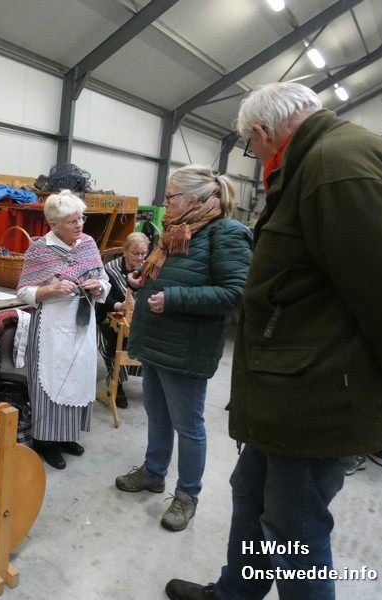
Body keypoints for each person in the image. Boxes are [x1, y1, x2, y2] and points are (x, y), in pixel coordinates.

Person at [165, 82, 382, 599]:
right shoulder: (316, 163)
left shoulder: (336, 166)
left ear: (262, 132)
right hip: (286, 389)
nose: (255, 153)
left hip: (317, 395)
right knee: (249, 494)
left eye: (251, 145)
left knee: (295, 529)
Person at [115, 165, 252, 532]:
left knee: (188, 426)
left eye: (170, 196)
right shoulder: (177, 232)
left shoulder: (225, 233)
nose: (165, 203)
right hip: (157, 341)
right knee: (158, 415)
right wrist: (143, 279)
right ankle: (154, 472)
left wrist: (174, 298)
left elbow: (236, 293)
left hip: (186, 348)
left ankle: (187, 494)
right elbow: (175, 274)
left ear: (194, 199)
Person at [17, 190, 110, 470]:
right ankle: (45, 441)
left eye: (81, 218)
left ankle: (67, 435)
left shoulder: (88, 244)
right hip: (51, 327)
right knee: (52, 382)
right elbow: (23, 292)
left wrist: (99, 286)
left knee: (77, 379)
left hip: (82, 325)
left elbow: (104, 279)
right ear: (54, 225)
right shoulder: (40, 249)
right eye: (72, 221)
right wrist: (52, 289)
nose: (80, 225)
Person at [95, 231, 150, 408]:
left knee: (149, 341)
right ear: (125, 250)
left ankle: (151, 382)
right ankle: (116, 384)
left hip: (136, 318)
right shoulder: (110, 269)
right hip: (109, 316)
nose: (139, 258)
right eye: (135, 253)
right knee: (114, 344)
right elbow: (102, 298)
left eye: (143, 254)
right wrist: (119, 305)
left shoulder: (147, 269)